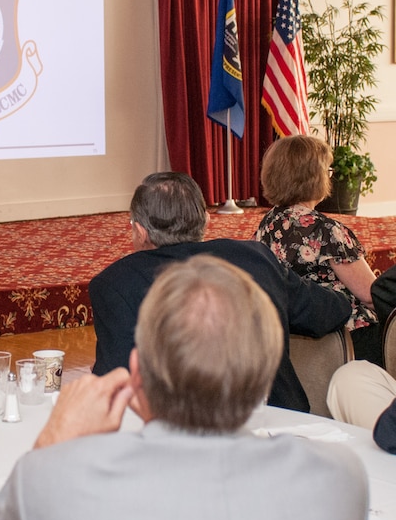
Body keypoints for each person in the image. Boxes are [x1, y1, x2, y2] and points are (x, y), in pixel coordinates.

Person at [0, 256, 368, 520]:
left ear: (137, 372)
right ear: (265, 375)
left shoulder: (53, 481)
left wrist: (49, 446)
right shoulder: (339, 476)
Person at [89, 172, 351, 413]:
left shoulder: (115, 284)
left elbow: (117, 384)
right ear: (206, 220)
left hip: (180, 436)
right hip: (279, 421)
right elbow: (325, 311)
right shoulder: (254, 257)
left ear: (140, 231)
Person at [255, 134, 381, 365]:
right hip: (343, 340)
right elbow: (371, 296)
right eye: (327, 171)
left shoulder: (268, 224)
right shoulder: (327, 231)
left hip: (289, 339)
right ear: (313, 178)